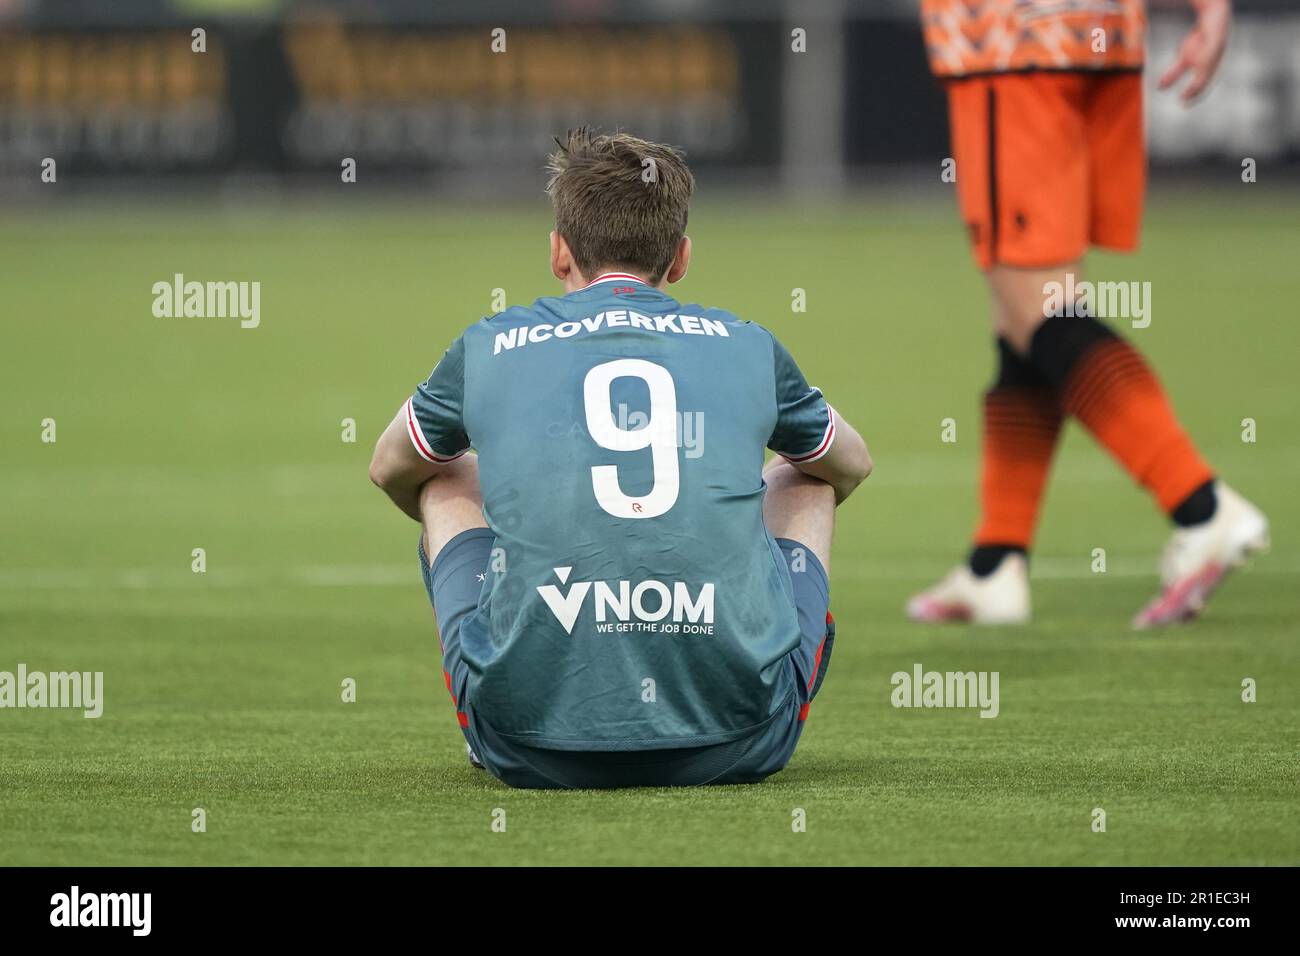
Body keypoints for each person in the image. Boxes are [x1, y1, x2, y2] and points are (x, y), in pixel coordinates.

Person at [369, 129, 872, 788]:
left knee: (444, 473)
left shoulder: (490, 344)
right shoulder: (748, 344)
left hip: (526, 749)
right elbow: (852, 462)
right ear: (682, 257)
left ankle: (513, 686)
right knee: (806, 477)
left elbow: (388, 465)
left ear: (558, 252)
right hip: (741, 740)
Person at [909, 0, 1267, 627]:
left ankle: (1201, 507)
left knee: (1039, 310)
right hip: (1105, 41)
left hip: (1012, 45)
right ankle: (997, 560)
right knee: (1023, 315)